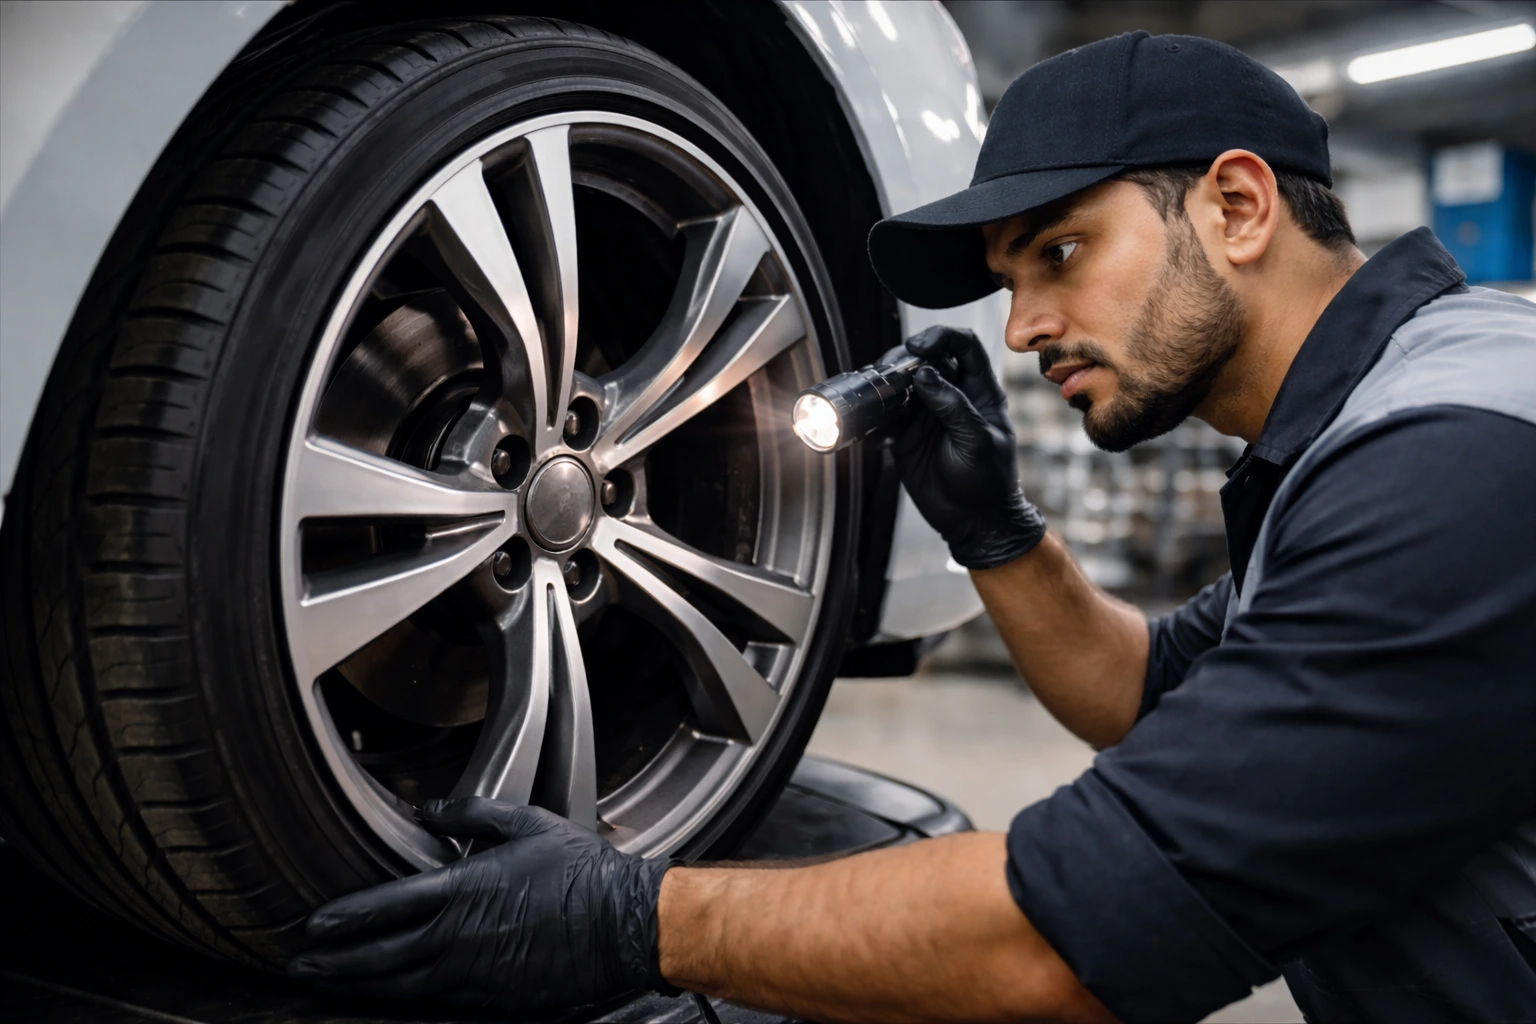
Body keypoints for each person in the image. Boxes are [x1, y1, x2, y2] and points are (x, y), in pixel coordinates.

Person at [287, 32, 1536, 1023]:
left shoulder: (1456, 460)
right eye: (1010, 283)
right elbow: (1146, 693)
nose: (1024, 327)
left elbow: (1070, 941)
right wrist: (995, 529)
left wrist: (635, 920)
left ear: (1239, 206)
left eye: (1061, 250)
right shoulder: (1378, 420)